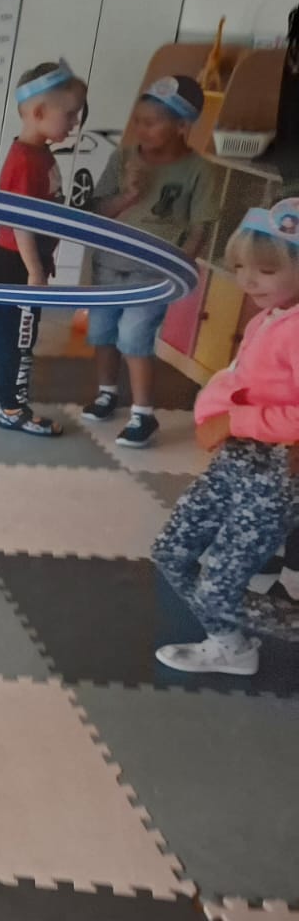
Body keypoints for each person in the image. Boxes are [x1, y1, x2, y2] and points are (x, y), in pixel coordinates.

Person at [152, 199, 299, 676]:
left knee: (219, 588)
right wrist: (213, 415)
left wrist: (235, 420)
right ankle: (230, 647)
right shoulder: (267, 317)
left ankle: (246, 638)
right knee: (171, 552)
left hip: (276, 473)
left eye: (266, 270)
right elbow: (237, 379)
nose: (248, 281)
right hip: (237, 459)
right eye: (239, 268)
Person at [0, 60, 88, 435]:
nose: (75, 122)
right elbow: (20, 220)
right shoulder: (25, 160)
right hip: (16, 263)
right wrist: (34, 270)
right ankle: (12, 409)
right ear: (39, 113)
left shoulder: (40, 154)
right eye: (70, 113)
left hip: (9, 260)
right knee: (18, 340)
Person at [82, 76, 214, 447]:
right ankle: (107, 393)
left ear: (182, 126)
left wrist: (180, 270)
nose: (141, 129)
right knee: (102, 333)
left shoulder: (199, 170)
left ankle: (143, 414)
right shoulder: (122, 158)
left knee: (134, 337)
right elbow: (98, 212)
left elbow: (200, 227)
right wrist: (128, 195)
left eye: (152, 122)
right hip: (108, 264)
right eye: (138, 120)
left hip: (154, 273)